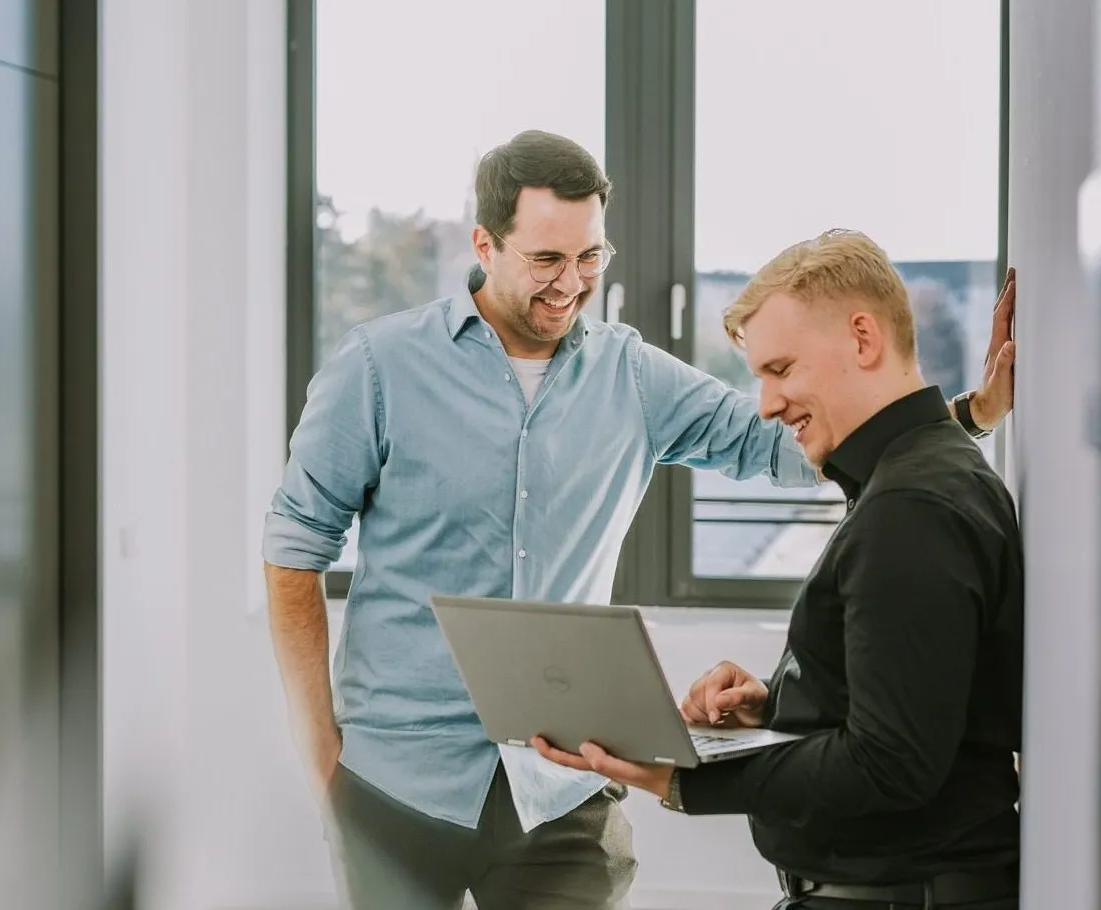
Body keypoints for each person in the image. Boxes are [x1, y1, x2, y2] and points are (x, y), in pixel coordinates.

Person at [262, 130, 1017, 910]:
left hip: (561, 791)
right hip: (398, 784)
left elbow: (788, 439)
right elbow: (293, 549)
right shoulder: (378, 367)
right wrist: (321, 753)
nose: (570, 283)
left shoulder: (629, 373)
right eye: (546, 261)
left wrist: (966, 414)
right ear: (485, 244)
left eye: (590, 258)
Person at [536, 229, 1024, 910]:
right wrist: (782, 703)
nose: (765, 405)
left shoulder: (910, 508)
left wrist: (679, 779)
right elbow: (925, 699)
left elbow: (891, 764)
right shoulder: (918, 478)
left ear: (862, 339)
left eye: (780, 369)